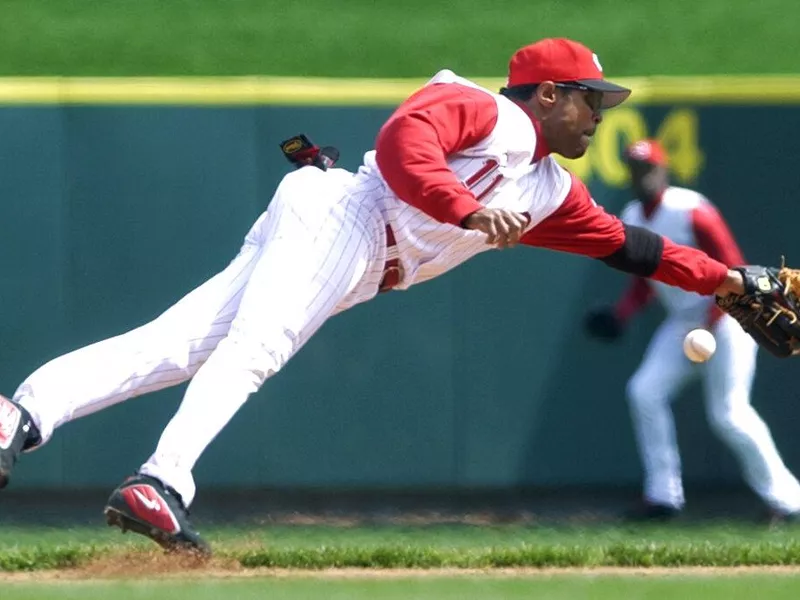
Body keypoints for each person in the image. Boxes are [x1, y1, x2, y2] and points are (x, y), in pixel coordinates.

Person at [0, 38, 749, 555]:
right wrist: (464, 207)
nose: (598, 115)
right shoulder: (490, 113)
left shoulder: (553, 188)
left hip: (356, 250)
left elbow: (634, 247)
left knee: (173, 346)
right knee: (254, 352)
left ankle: (19, 416)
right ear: (548, 93)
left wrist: (733, 282)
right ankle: (160, 482)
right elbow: (403, 143)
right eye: (590, 101)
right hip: (350, 217)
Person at [584, 139, 800, 522]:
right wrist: (621, 315)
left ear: (663, 170)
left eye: (648, 169)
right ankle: (663, 496)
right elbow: (643, 281)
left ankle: (790, 501)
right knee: (644, 392)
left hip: (730, 317)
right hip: (684, 323)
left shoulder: (692, 210)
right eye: (635, 170)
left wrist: (717, 320)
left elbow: (736, 269)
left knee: (729, 413)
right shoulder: (632, 215)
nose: (642, 177)